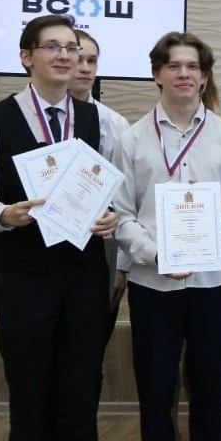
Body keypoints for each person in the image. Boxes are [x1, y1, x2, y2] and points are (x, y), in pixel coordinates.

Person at [113, 32, 221, 441]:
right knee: (156, 387)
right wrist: (158, 252)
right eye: (174, 66)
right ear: (157, 74)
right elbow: (121, 214)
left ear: (205, 76)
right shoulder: (132, 139)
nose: (184, 74)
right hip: (154, 284)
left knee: (209, 384)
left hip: (212, 282)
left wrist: (200, 219)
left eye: (193, 66)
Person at [0, 15, 117, 441]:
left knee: (82, 385)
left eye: (71, 48)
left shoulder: (101, 120)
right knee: (29, 386)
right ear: (26, 56)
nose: (65, 56)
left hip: (84, 275)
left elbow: (116, 193)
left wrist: (112, 217)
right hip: (23, 276)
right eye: (52, 47)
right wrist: (3, 214)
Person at [72, 29, 132, 330]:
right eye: (78, 59)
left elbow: (126, 199)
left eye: (92, 61)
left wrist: (122, 265)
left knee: (92, 337)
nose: (85, 68)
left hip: (100, 245)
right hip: (37, 248)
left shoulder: (116, 125)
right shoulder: (21, 120)